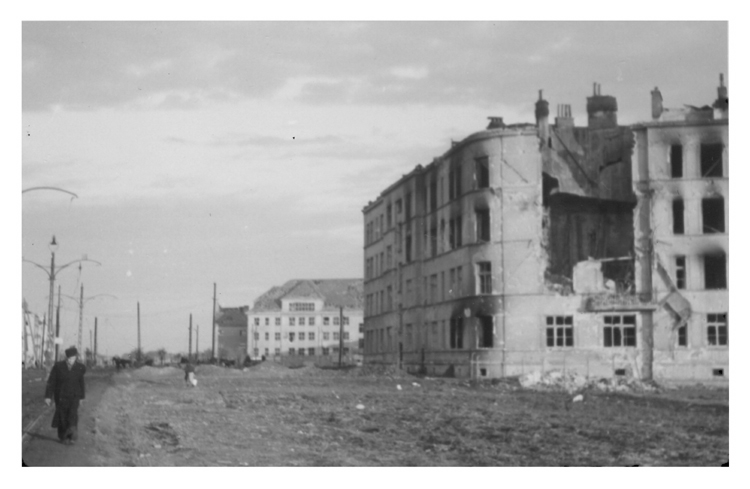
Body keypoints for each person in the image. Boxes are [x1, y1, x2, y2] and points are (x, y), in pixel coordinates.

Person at [45, 346, 86, 445]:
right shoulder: (58, 366)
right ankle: (63, 437)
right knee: (62, 416)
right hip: (61, 396)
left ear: (76, 358)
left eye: (73, 358)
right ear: (66, 358)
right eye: (69, 358)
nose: (71, 361)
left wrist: (82, 397)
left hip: (74, 396)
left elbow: (81, 383)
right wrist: (48, 396)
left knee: (72, 415)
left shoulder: (80, 367)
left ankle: (72, 436)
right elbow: (51, 382)